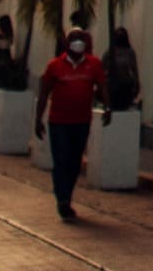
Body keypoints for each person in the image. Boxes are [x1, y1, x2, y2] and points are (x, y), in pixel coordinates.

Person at [34, 28, 106, 221]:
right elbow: (43, 94)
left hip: (81, 122)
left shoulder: (94, 65)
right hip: (59, 122)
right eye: (74, 39)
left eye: (81, 39)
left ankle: (68, 195)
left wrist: (108, 108)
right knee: (61, 161)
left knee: (74, 162)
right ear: (67, 43)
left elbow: (102, 87)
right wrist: (38, 119)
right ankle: (62, 199)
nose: (78, 42)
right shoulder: (54, 66)